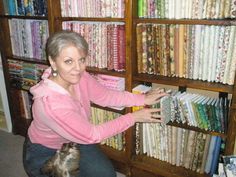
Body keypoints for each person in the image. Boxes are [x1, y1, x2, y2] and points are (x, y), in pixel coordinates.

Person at [23, 30, 168, 177]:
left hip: (76, 140)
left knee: (106, 175)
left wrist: (143, 99)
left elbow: (106, 96)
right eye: (68, 61)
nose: (78, 68)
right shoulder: (50, 105)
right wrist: (134, 117)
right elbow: (92, 135)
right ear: (53, 62)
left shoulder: (79, 76)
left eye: (82, 60)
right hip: (46, 152)